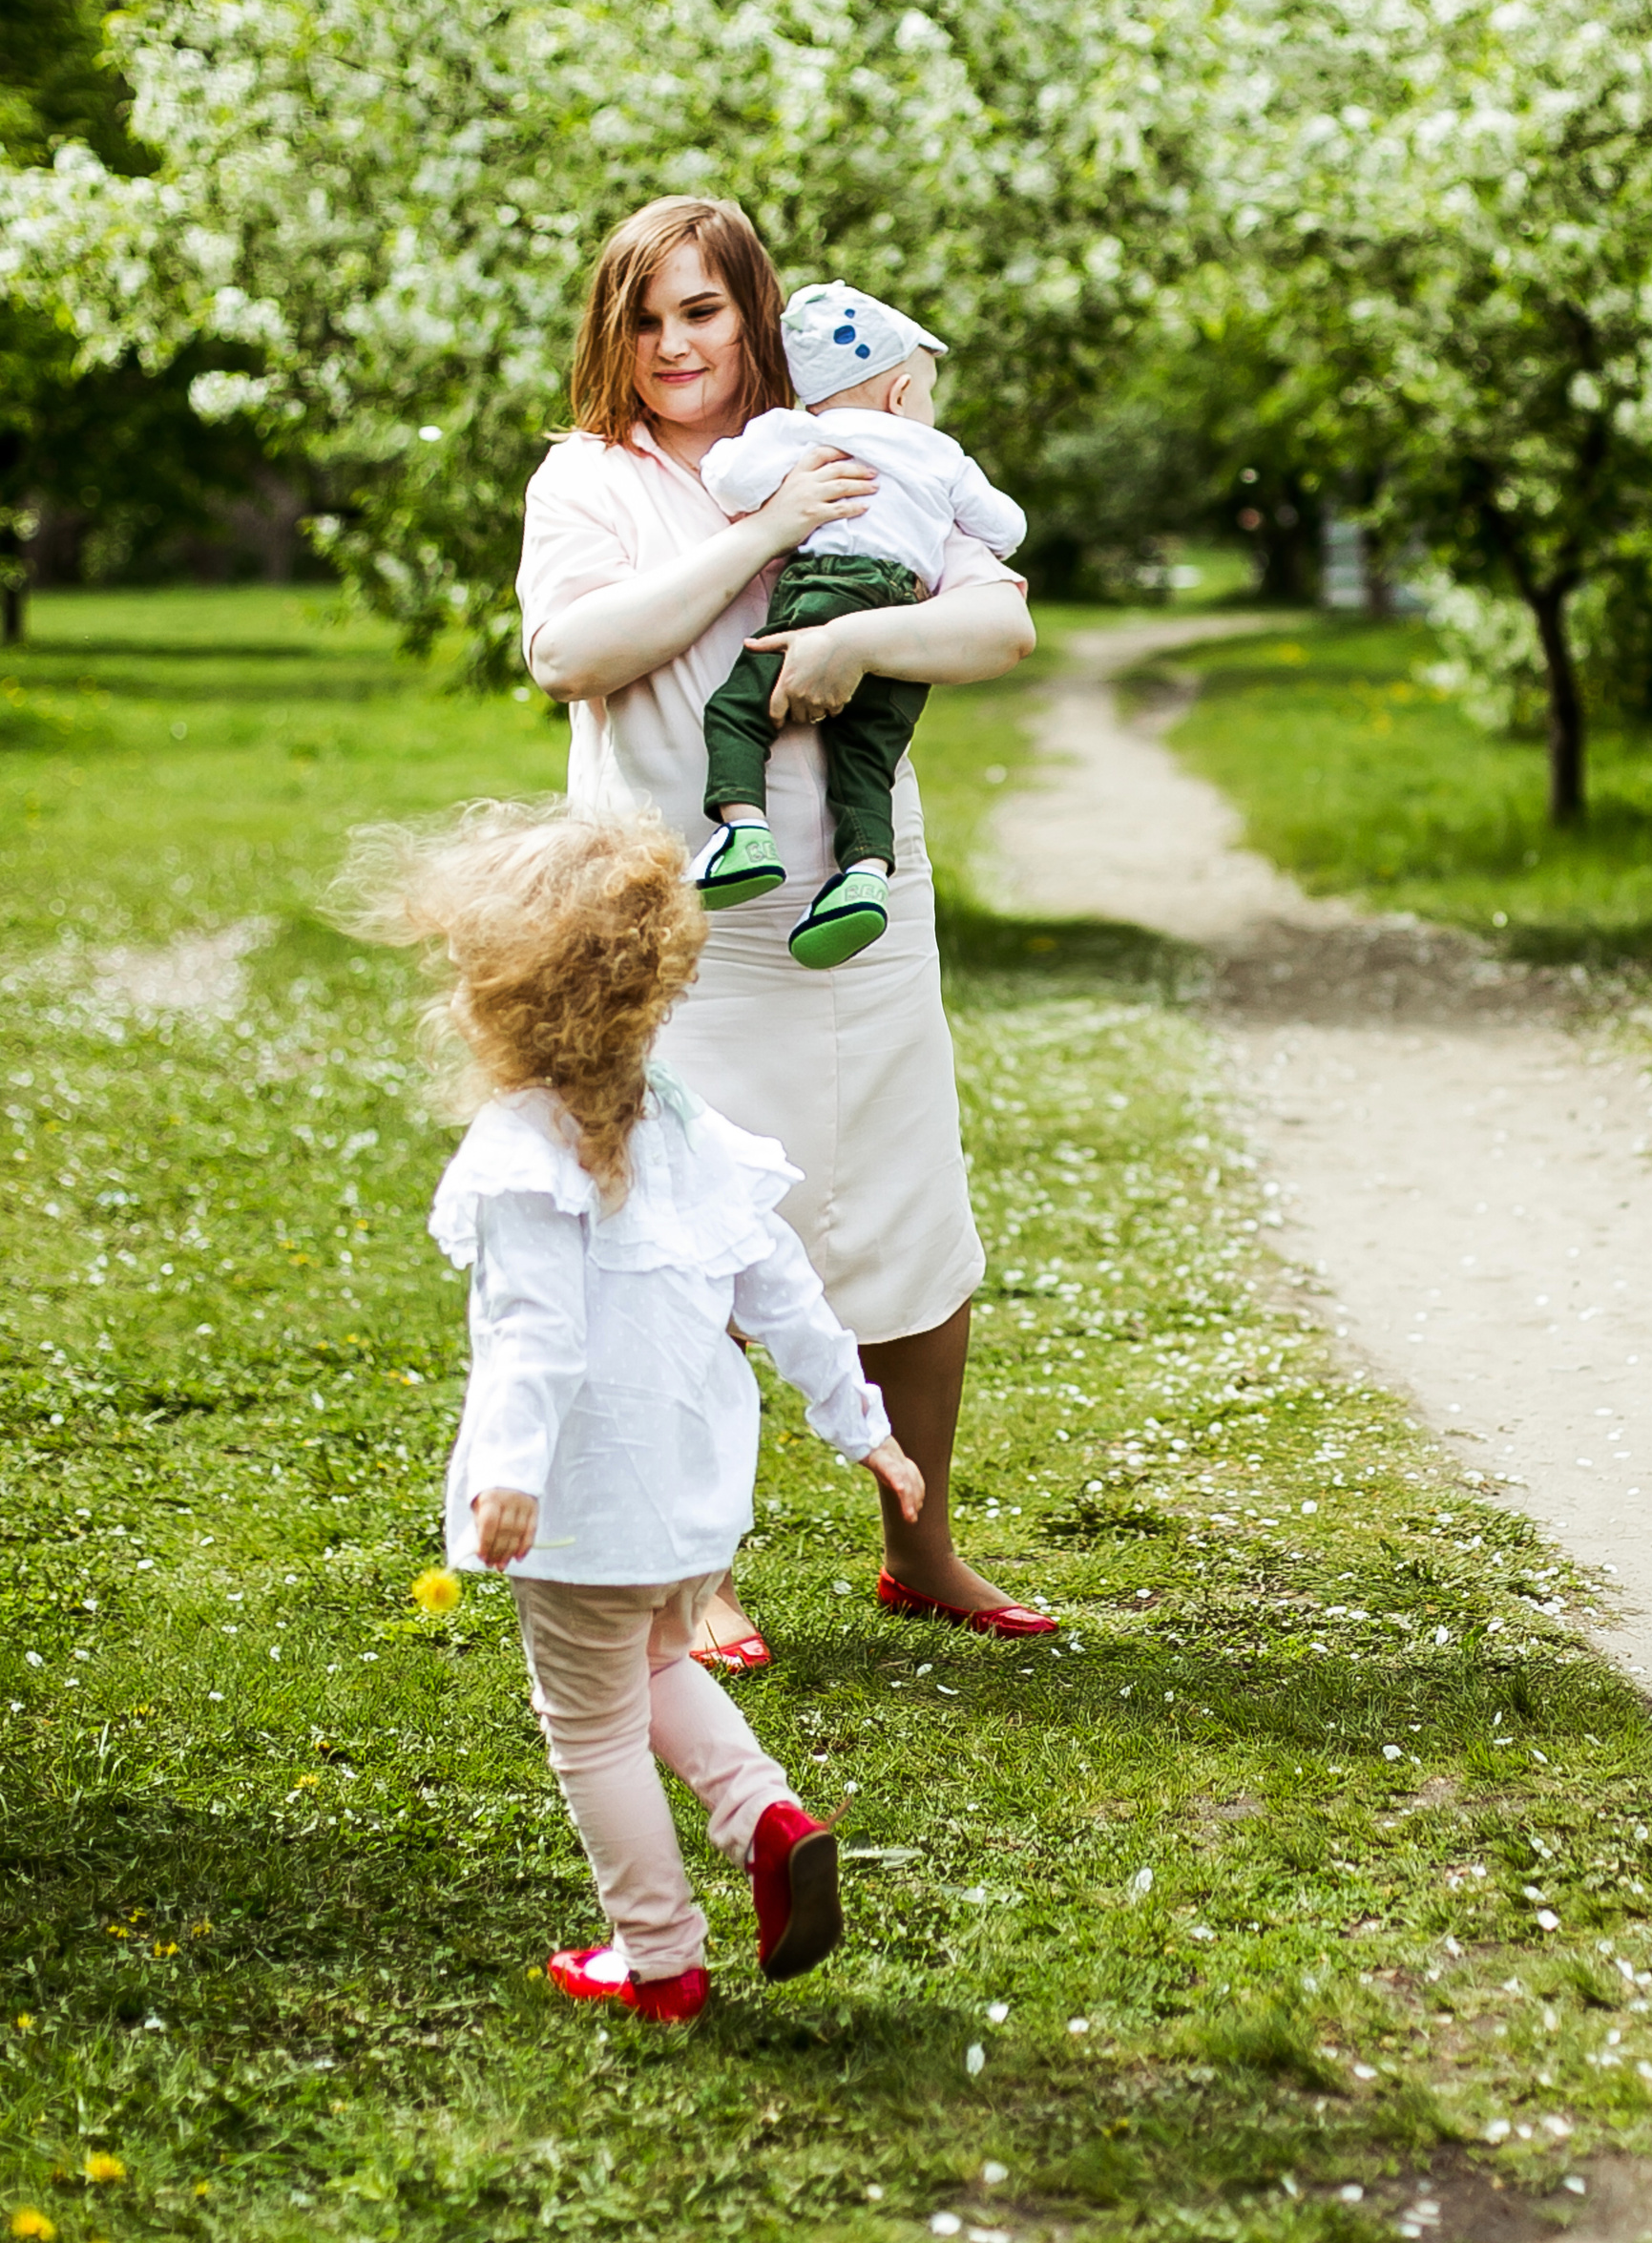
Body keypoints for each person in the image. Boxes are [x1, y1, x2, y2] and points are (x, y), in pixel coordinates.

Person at [516, 193, 1056, 1667]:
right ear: (611, 339)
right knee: (687, 1249)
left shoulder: (853, 440)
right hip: (679, 923)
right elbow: (571, 654)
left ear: (754, 314)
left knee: (908, 1222)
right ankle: (699, 1572)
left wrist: (853, 639)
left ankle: (922, 1543)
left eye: (703, 311)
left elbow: (998, 624)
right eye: (645, 318)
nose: (674, 344)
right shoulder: (593, 480)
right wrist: (758, 533)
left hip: (856, 910)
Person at [345, 800, 928, 2024]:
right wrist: (859, 1420)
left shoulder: (520, 1149)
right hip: (689, 1494)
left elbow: (534, 1336)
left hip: (583, 1505)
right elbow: (781, 1280)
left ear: (500, 995)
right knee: (657, 1657)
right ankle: (765, 1812)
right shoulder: (677, 1117)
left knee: (589, 1724)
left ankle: (656, 1955)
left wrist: (508, 1473)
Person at [689, 280, 1026, 971]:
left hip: (826, 594)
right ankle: (865, 878)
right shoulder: (943, 457)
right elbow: (1007, 528)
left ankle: (744, 835)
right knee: (867, 758)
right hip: (905, 617)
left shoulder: (805, 432)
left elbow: (726, 479)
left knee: (738, 711)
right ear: (902, 394)